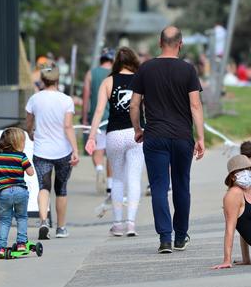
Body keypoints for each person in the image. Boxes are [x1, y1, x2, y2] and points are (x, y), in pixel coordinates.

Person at [130, 26, 205, 254]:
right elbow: (195, 105)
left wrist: (138, 128)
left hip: (155, 135)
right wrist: (200, 137)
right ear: (180, 44)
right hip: (182, 137)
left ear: (159, 42)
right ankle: (181, 236)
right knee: (182, 185)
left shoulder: (146, 69)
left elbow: (134, 104)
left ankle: (165, 238)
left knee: (160, 187)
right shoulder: (188, 70)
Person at [86, 47, 145, 237]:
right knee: (134, 179)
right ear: (134, 61)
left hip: (114, 134)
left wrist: (92, 136)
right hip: (137, 133)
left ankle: (118, 223)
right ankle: (131, 223)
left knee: (118, 179)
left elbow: (98, 111)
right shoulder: (141, 80)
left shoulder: (107, 81)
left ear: (116, 62)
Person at [26, 62, 79, 239]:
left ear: (42, 79)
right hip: (63, 150)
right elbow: (68, 126)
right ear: (58, 79)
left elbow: (28, 122)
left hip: (41, 150)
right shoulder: (66, 100)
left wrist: (30, 132)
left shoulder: (35, 99)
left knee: (44, 186)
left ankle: (43, 221)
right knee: (61, 188)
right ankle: (61, 228)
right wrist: (75, 150)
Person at [0, 128, 35, 259]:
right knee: (22, 218)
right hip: (20, 191)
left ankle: (1, 248)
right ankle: (21, 244)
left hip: (4, 192)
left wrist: (1, 171)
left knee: (5, 221)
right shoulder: (21, 156)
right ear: (17, 143)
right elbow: (31, 172)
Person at [82, 48, 114, 194]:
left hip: (97, 118)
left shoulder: (91, 73)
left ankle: (99, 168)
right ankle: (110, 185)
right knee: (112, 153)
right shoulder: (116, 73)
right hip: (114, 118)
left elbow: (86, 97)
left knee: (97, 149)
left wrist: (84, 117)